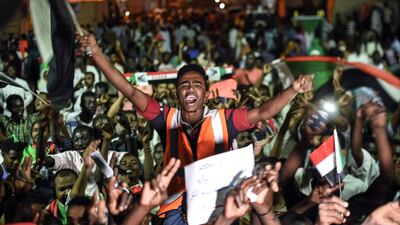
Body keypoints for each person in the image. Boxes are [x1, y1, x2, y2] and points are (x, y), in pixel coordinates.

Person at [78, 30, 312, 224]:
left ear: (206, 92)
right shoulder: (165, 117)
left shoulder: (225, 119)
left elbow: (263, 112)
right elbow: (129, 90)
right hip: (175, 209)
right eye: (184, 85)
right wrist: (96, 53)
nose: (190, 89)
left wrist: (293, 89)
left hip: (219, 208)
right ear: (177, 93)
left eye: (196, 85)